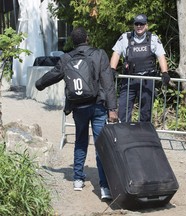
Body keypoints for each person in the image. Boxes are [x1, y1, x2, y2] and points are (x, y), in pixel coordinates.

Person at [35, 27, 118, 199]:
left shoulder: (67, 58)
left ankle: (78, 179)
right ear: (87, 38)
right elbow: (108, 82)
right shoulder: (99, 54)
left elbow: (54, 74)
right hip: (98, 106)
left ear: (73, 41)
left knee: (80, 141)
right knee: (100, 145)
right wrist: (112, 109)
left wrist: (39, 84)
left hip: (78, 107)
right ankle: (104, 188)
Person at [110, 14, 170, 122]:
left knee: (146, 112)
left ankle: (143, 135)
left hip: (147, 80)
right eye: (137, 24)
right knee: (123, 109)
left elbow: (161, 56)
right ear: (134, 25)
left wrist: (165, 72)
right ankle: (125, 134)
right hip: (129, 80)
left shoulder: (153, 39)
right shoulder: (125, 37)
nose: (139, 26)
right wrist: (112, 69)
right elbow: (116, 53)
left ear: (146, 25)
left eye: (141, 24)